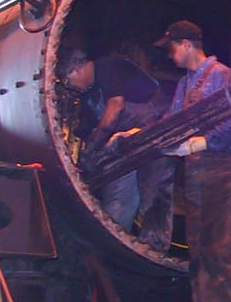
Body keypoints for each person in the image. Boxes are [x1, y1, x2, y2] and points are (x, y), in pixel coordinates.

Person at [137, 20, 231, 302]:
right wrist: (139, 135)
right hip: (198, 176)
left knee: (216, 247)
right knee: (199, 247)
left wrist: (199, 143)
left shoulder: (221, 76)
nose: (170, 56)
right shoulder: (187, 83)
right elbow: (172, 121)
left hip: (221, 173)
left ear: (186, 44)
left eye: (171, 48)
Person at [59, 49, 164, 230]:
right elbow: (88, 128)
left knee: (154, 197)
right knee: (117, 198)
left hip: (152, 133)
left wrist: (94, 145)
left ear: (76, 69)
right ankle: (117, 239)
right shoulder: (89, 95)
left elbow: (115, 107)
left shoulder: (108, 66)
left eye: (68, 81)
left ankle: (154, 246)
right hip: (123, 145)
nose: (71, 87)